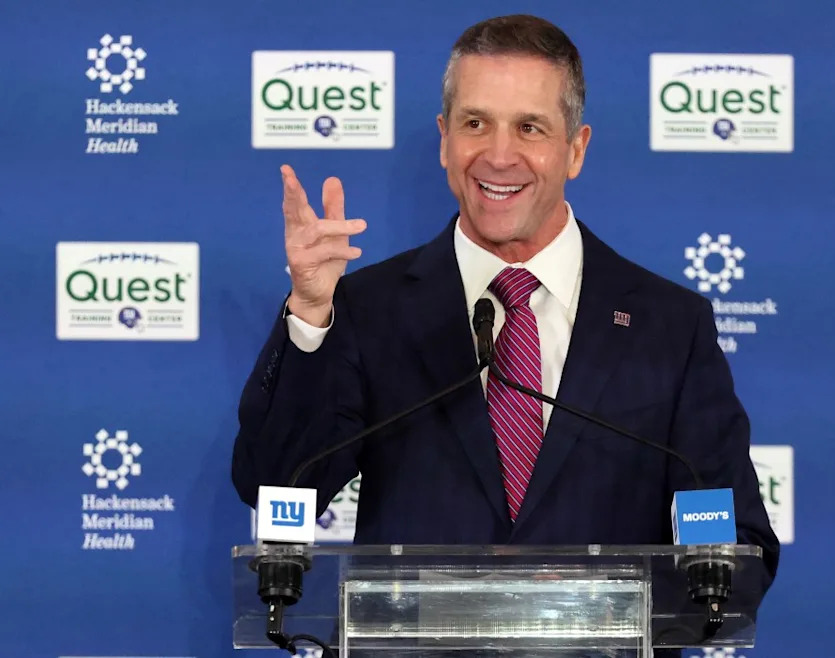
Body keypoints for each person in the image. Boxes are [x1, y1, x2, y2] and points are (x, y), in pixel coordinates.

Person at [232, 10, 778, 616]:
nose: (498, 155)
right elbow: (276, 485)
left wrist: (606, 614)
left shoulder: (669, 326)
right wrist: (311, 313)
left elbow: (736, 553)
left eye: (529, 128)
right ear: (444, 140)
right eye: (475, 123)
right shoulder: (368, 309)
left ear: (575, 149)